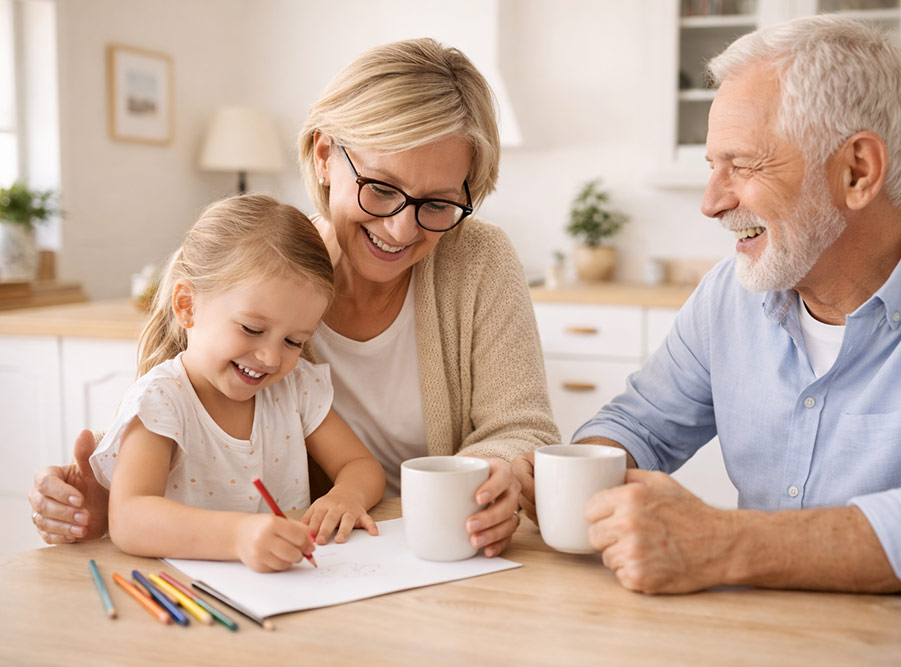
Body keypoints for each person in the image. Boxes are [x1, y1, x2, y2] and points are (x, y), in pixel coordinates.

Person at [513, 15, 901, 664]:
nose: (712, 202)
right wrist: (553, 480)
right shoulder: (731, 292)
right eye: (713, 165)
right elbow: (640, 425)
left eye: (739, 164)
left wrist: (721, 540)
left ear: (858, 169)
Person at [30, 38, 559, 558]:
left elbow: (520, 427)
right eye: (380, 188)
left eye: (439, 203)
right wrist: (102, 494)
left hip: (437, 553)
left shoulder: (479, 259)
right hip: (322, 564)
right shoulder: (274, 279)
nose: (400, 229)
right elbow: (194, 415)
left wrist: (495, 475)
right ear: (326, 156)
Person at [92, 194, 385, 572]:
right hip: (189, 597)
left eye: (294, 341)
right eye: (252, 328)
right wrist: (239, 537)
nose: (271, 357)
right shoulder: (161, 400)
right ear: (187, 306)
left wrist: (347, 495)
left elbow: (361, 464)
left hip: (285, 592)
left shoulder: (294, 388)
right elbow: (129, 518)